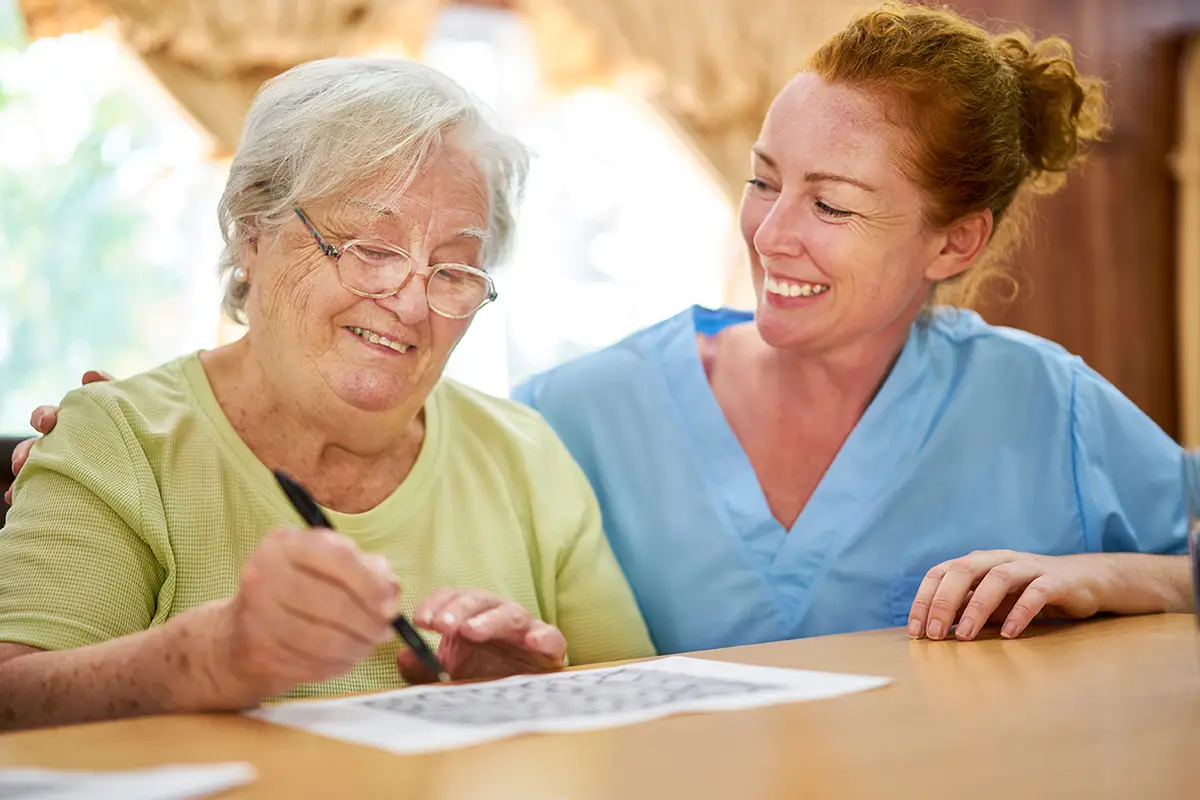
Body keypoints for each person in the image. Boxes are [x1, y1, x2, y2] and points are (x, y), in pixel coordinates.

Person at [14, 4, 1194, 658]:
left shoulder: (1047, 403)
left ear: (953, 243)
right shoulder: (579, 410)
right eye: (764, 177)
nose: (772, 232)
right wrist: (128, 435)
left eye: (833, 206)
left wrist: (1112, 572)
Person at [0, 57, 653, 732]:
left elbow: (649, 719)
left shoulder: (526, 454)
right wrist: (203, 661)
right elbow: (10, 703)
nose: (410, 301)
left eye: (454, 267)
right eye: (370, 246)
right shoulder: (119, 438)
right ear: (253, 231)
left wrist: (530, 701)